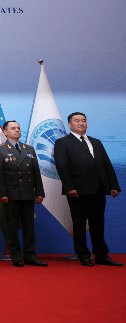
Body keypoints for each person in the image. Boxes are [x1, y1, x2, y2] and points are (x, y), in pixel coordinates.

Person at [54, 112, 121, 266]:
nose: (81, 123)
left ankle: (101, 255)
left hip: (98, 190)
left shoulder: (96, 142)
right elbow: (62, 166)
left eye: (84, 120)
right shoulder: (62, 142)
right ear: (69, 124)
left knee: (98, 225)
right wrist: (69, 187)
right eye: (77, 121)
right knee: (79, 225)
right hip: (77, 191)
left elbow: (106, 164)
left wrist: (113, 186)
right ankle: (83, 255)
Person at [0, 121, 47, 267]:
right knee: (12, 227)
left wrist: (39, 192)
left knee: (29, 227)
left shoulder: (29, 148)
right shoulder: (0, 150)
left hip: (28, 193)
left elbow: (35, 172)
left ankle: (30, 256)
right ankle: (16, 256)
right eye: (13, 128)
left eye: (18, 128)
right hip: (11, 194)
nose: (16, 130)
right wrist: (2, 193)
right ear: (5, 132)